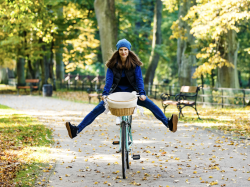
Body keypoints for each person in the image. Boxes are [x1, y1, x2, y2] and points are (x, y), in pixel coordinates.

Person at [66, 39, 178, 139]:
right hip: (115, 95)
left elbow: (139, 80)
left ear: (129, 51)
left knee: (151, 105)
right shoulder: (112, 65)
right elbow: (109, 80)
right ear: (118, 51)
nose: (123, 52)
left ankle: (169, 124)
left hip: (133, 94)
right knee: (96, 110)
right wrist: (105, 94)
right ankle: (76, 130)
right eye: (121, 49)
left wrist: (142, 93)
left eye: (125, 49)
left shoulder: (135, 65)